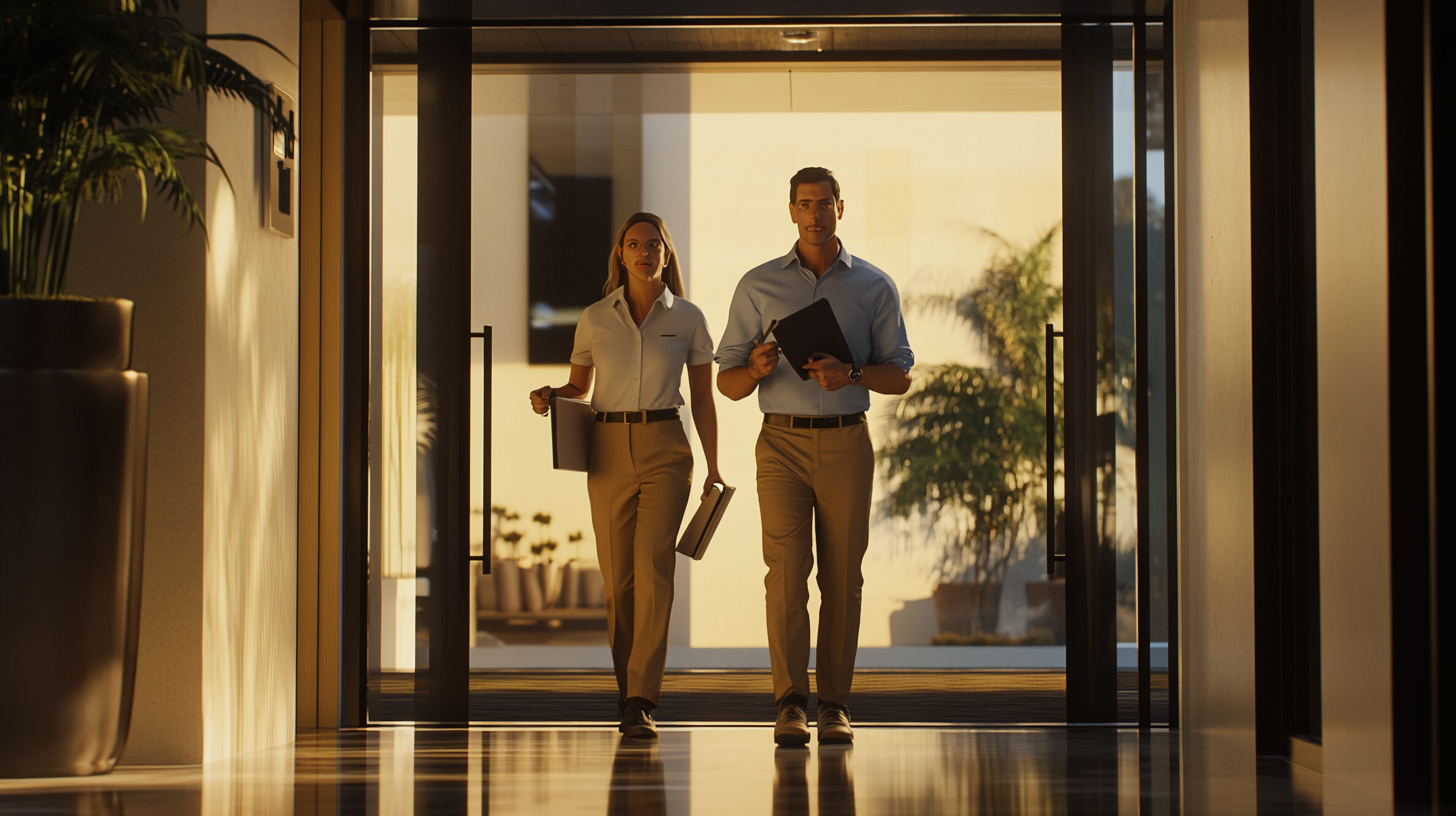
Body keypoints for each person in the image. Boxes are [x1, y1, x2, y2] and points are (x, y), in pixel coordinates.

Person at [716, 167, 913, 746]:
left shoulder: (874, 286)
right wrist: (752, 369)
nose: (815, 213)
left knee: (842, 578)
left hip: (848, 441)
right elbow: (726, 383)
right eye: (805, 204)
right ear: (792, 210)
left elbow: (899, 374)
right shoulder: (757, 285)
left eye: (825, 203)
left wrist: (849, 372)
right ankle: (789, 704)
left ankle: (835, 705)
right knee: (785, 576)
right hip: (779, 442)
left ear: (841, 208)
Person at [530, 212, 721, 740]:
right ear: (620, 253)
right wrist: (551, 396)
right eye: (633, 244)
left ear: (666, 253)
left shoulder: (687, 318)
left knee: (655, 570)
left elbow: (703, 397)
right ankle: (626, 692)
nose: (643, 252)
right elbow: (579, 387)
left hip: (666, 447)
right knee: (619, 580)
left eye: (652, 244)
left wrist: (714, 465)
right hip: (607, 448)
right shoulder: (594, 317)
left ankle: (642, 697)